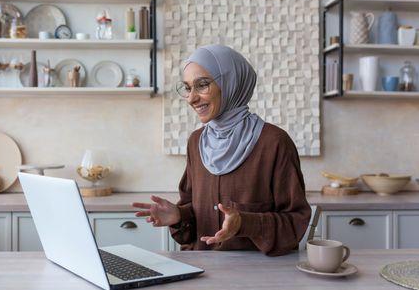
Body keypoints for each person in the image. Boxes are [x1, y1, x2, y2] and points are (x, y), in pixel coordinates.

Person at [132, 45, 311, 256]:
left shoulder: (274, 143)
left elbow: (294, 223)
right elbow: (195, 211)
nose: (191, 98)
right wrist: (180, 216)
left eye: (202, 85)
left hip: (260, 277)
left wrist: (245, 223)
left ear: (231, 83)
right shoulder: (196, 142)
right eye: (188, 88)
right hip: (202, 274)